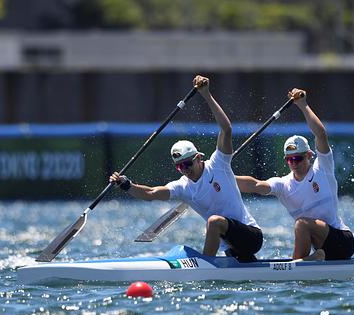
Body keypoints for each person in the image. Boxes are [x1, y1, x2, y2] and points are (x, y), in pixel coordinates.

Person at [109, 75, 263, 261]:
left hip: (252, 237)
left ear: (198, 158)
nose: (184, 170)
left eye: (187, 164)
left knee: (214, 221)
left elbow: (226, 129)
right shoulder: (183, 187)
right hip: (231, 246)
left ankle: (206, 266)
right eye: (179, 166)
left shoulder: (219, 164)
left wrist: (206, 95)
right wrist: (126, 185)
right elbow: (150, 193)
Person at [236, 88, 354, 261]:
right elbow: (255, 185)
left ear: (309, 155)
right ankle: (308, 261)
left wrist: (303, 105)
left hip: (343, 242)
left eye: (298, 158)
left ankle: (296, 266)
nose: (293, 163)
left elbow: (321, 134)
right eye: (289, 159)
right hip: (322, 247)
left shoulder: (323, 169)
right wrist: (225, 177)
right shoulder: (283, 184)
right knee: (302, 226)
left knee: (301, 224)